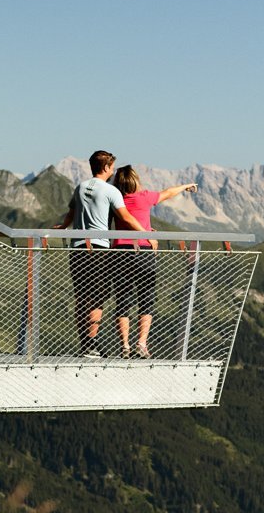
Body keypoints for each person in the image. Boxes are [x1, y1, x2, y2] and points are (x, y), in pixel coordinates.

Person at [55, 150, 147, 358]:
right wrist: (145, 233)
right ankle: (92, 344)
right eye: (112, 167)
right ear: (106, 167)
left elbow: (70, 215)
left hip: (77, 248)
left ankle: (84, 343)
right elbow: (125, 216)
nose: (113, 171)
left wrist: (62, 228)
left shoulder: (80, 187)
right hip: (98, 250)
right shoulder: (110, 191)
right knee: (97, 298)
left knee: (81, 296)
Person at [107, 165, 197, 359]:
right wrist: (186, 186)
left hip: (120, 253)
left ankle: (124, 345)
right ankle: (141, 343)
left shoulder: (116, 201)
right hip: (144, 252)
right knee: (146, 298)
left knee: (122, 300)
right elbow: (168, 193)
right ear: (135, 181)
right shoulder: (145, 197)